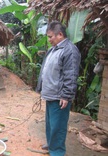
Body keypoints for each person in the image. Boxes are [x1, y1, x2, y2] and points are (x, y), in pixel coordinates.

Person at [36, 21, 81, 156]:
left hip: (59, 96)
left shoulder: (70, 50)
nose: (49, 40)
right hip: (50, 93)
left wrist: (66, 95)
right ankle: (51, 144)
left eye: (50, 37)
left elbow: (71, 74)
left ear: (60, 34)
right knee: (50, 124)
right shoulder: (53, 49)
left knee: (58, 126)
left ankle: (57, 152)